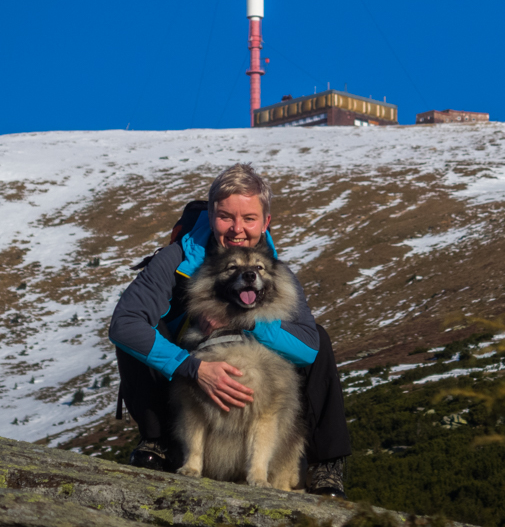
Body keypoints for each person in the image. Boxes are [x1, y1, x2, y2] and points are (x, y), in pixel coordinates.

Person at [108, 163, 351, 496]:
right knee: (140, 331)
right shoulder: (176, 259)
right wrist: (192, 366)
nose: (238, 229)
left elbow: (309, 347)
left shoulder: (277, 272)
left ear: (266, 222)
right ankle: (158, 441)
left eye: (249, 218)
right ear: (210, 216)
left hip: (254, 392)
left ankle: (327, 465)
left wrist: (246, 323)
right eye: (226, 217)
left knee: (319, 336)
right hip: (182, 385)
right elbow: (123, 323)